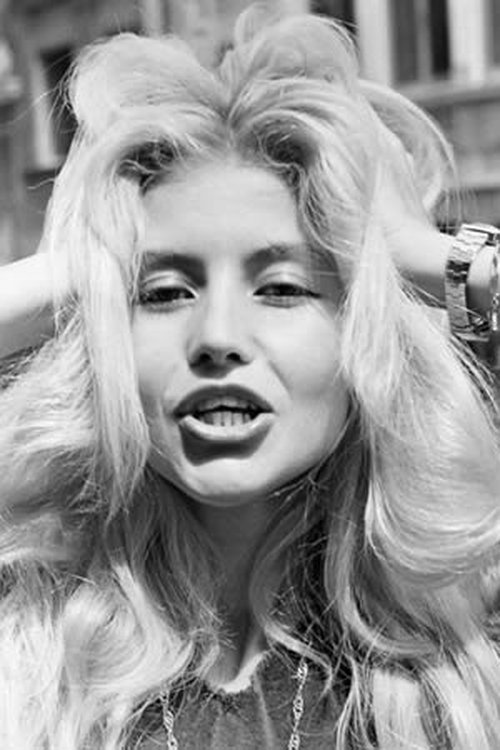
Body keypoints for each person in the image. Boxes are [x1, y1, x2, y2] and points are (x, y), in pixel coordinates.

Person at [1, 6, 500, 749]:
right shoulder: (33, 649)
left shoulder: (460, 648)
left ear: (363, 329)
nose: (218, 339)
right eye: (165, 293)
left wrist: (434, 259)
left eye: (283, 288)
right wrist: (80, 263)